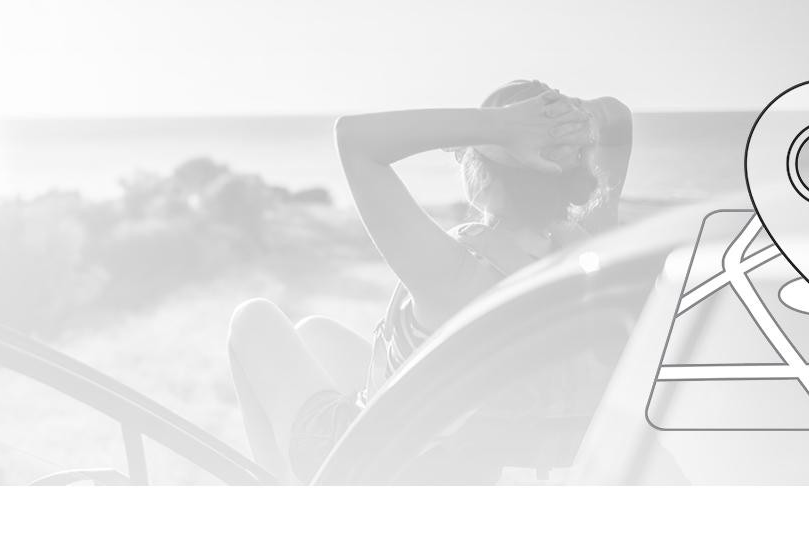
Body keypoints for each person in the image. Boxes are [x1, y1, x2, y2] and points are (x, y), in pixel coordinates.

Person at [226, 80, 633, 483]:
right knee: (313, 332)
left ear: (484, 181)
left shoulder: (456, 274)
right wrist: (559, 121)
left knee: (252, 319)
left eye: (466, 154)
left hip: (371, 471)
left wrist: (498, 126)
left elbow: (353, 139)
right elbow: (618, 120)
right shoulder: (585, 257)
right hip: (446, 452)